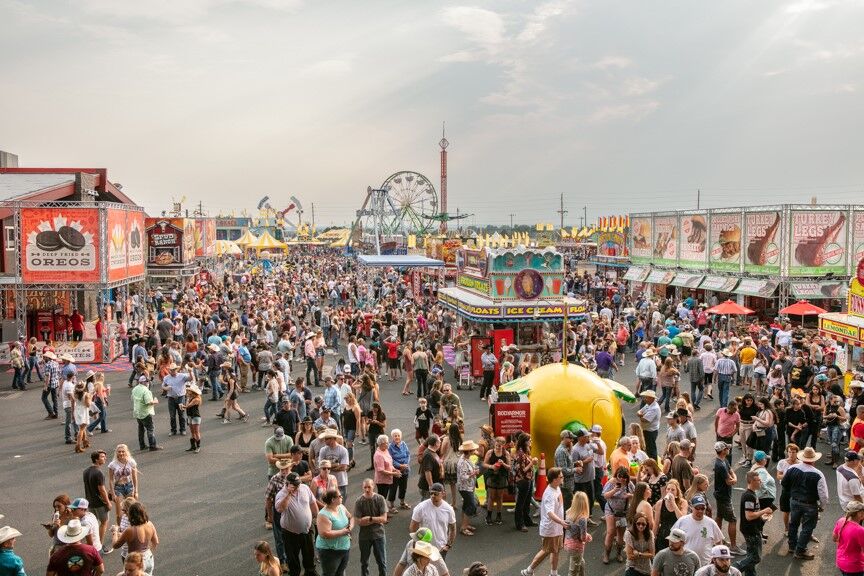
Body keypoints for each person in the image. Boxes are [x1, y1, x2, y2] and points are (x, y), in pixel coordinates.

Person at [781, 446, 829, 559]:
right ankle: (800, 550)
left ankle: (792, 546)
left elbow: (784, 484)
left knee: (793, 524)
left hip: (794, 501)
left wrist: (792, 494)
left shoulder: (792, 468)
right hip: (810, 504)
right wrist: (822, 506)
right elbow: (823, 495)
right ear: (814, 460)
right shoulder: (818, 474)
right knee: (807, 528)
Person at [521, 467, 567, 576]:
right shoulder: (550, 494)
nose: (563, 478)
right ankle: (528, 571)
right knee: (546, 550)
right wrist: (562, 522)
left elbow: (559, 506)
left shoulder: (557, 488)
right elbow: (550, 513)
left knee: (555, 550)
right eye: (561, 477)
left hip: (557, 527)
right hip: (551, 528)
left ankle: (553, 573)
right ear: (554, 479)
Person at [275, 472, 319, 576]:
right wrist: (289, 494)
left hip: (307, 531)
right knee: (293, 559)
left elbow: (313, 503)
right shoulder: (281, 494)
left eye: (298, 483)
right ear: (287, 484)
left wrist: (317, 517)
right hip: (290, 534)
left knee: (309, 556)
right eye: (295, 484)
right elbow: (281, 509)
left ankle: (310, 572)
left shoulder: (304, 488)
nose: (298, 486)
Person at [733, 471, 771, 576]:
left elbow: (753, 513)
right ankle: (733, 569)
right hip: (751, 530)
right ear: (752, 481)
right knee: (755, 557)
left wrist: (762, 518)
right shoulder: (749, 496)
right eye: (758, 480)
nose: (761, 482)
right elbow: (749, 516)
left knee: (751, 554)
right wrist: (764, 511)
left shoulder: (752, 494)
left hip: (752, 528)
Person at [671, 495, 723, 566]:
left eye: (702, 508)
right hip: (686, 563)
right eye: (697, 508)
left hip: (705, 565)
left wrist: (717, 558)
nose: (700, 511)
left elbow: (719, 542)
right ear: (691, 507)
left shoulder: (711, 523)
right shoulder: (682, 521)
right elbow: (672, 539)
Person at [109, 502, 159, 575]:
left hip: (136, 562)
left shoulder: (130, 530)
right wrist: (145, 552)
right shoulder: (150, 524)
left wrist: (115, 532)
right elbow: (156, 542)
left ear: (131, 515)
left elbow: (115, 545)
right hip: (149, 558)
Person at [711, 442, 743, 555]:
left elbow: (731, 471)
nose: (728, 449)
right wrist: (734, 479)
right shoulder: (721, 464)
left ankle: (717, 540)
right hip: (724, 496)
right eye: (726, 448)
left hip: (720, 494)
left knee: (719, 516)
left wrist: (733, 477)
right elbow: (729, 481)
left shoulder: (723, 460)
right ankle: (733, 546)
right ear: (723, 450)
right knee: (732, 520)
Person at [409, 483, 456, 559]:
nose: (433, 496)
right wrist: (418, 543)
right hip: (424, 548)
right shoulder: (421, 507)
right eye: (431, 493)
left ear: (443, 494)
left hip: (441, 549)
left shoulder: (449, 509)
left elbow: (453, 528)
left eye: (436, 494)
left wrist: (448, 545)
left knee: (439, 571)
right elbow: (413, 526)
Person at [354, 478, 388, 576]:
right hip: (364, 537)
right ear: (362, 488)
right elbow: (358, 522)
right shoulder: (359, 501)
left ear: (373, 486)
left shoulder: (380, 499)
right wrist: (376, 520)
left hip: (379, 535)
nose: (367, 489)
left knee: (382, 562)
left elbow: (384, 519)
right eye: (365, 487)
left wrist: (369, 518)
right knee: (364, 563)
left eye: (369, 487)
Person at [315, 488, 353, 576]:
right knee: (329, 574)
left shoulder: (341, 507)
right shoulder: (323, 515)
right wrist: (344, 532)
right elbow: (324, 534)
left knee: (340, 573)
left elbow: (351, 517)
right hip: (330, 551)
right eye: (339, 496)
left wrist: (350, 527)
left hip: (344, 548)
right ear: (333, 499)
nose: (342, 497)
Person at [602, 466, 634, 564]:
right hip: (611, 510)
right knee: (611, 532)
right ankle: (606, 554)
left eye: (624, 477)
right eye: (620, 476)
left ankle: (619, 553)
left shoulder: (629, 484)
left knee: (621, 534)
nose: (622, 479)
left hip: (623, 512)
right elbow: (605, 495)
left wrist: (630, 495)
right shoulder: (611, 482)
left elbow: (636, 494)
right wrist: (614, 490)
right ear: (617, 475)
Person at [83, 450, 112, 553]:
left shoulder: (86, 471)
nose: (105, 458)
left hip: (90, 502)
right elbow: (102, 490)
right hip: (99, 503)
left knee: (94, 523)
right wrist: (108, 502)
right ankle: (99, 545)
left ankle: (91, 544)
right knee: (104, 523)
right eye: (102, 457)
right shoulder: (98, 473)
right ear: (96, 459)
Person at [482, 436, 511, 526]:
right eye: (497, 445)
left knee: (499, 497)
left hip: (502, 477)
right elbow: (484, 464)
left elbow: (509, 467)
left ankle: (499, 515)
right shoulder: (490, 452)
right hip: (492, 477)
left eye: (500, 445)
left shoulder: (506, 454)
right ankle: (489, 515)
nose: (498, 447)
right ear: (494, 444)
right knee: (491, 496)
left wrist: (503, 464)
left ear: (503, 445)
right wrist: (492, 466)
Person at [653, 480, 688, 552]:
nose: (670, 491)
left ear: (677, 492)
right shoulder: (660, 503)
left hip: (676, 537)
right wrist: (653, 538)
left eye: (673, 490)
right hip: (663, 536)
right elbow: (656, 523)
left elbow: (682, 519)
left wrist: (673, 503)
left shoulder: (683, 502)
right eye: (668, 489)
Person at [564, 491, 592, 576]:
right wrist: (588, 536)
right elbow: (582, 537)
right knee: (573, 570)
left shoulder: (568, 512)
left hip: (568, 542)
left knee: (580, 563)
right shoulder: (582, 518)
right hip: (576, 546)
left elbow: (571, 529)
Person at [833, 500, 864, 576]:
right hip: (854, 566)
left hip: (841, 561)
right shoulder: (860, 530)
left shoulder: (841, 521)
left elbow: (834, 538)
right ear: (860, 514)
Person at [131, 375, 161, 452]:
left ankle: (142, 445)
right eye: (147, 381)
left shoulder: (135, 389)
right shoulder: (146, 391)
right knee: (150, 429)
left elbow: (132, 398)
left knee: (141, 429)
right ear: (143, 382)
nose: (148, 382)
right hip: (146, 412)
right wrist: (155, 401)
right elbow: (149, 402)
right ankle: (152, 446)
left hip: (137, 412)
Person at [513, 434, 537, 532]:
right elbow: (522, 470)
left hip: (529, 479)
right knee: (521, 503)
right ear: (525, 441)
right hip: (523, 480)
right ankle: (520, 524)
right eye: (529, 440)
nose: (531, 441)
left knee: (527, 502)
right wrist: (532, 463)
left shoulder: (526, 451)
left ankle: (527, 520)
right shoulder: (521, 454)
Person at [160, 363, 189, 436]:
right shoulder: (167, 377)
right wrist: (165, 388)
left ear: (176, 369)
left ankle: (183, 429)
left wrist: (191, 372)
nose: (172, 371)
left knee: (181, 414)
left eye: (173, 370)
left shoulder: (182, 376)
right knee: (172, 415)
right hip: (171, 398)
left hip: (181, 397)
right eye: (171, 370)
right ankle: (173, 430)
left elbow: (191, 379)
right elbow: (163, 386)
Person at [372, 434, 401, 506]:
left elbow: (390, 463)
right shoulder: (378, 455)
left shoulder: (385, 450)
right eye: (387, 442)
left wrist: (394, 470)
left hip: (387, 478)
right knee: (382, 497)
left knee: (383, 497)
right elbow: (381, 470)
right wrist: (394, 474)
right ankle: (380, 513)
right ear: (381, 444)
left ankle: (383, 511)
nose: (388, 444)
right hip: (382, 480)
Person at [388, 429, 411, 511]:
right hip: (395, 471)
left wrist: (405, 465)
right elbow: (390, 459)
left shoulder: (404, 444)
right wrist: (400, 465)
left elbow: (408, 455)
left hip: (405, 470)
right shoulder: (390, 447)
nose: (397, 437)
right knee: (393, 488)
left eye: (398, 435)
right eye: (395, 436)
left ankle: (402, 502)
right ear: (392, 437)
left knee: (403, 487)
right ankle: (391, 506)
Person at [637, 390, 661, 460]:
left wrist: (641, 415)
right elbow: (639, 412)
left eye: (646, 397)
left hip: (651, 431)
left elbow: (645, 420)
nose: (645, 399)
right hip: (647, 430)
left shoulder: (654, 408)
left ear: (652, 398)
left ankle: (654, 464)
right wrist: (641, 414)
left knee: (652, 450)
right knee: (648, 448)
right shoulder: (649, 404)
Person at [184, 383, 203, 453]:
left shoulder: (196, 399)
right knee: (192, 432)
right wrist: (187, 399)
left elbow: (187, 406)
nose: (187, 392)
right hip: (190, 416)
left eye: (189, 391)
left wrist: (182, 406)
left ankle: (198, 447)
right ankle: (193, 446)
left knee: (196, 432)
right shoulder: (190, 398)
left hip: (195, 416)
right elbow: (187, 406)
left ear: (192, 392)